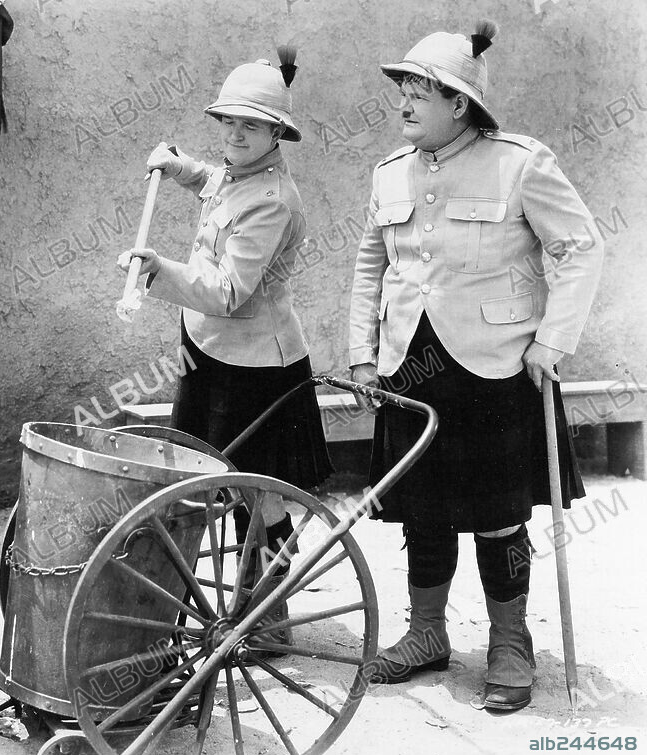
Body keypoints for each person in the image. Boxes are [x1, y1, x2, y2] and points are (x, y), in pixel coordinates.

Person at [348, 22, 603, 711]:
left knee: (498, 516)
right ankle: (426, 633)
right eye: (400, 90)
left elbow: (581, 246)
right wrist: (362, 356)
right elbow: (370, 267)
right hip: (410, 367)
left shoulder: (521, 163)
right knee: (421, 513)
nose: (401, 103)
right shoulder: (387, 173)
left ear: (458, 103)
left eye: (418, 92)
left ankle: (509, 643)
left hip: (495, 372)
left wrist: (553, 340)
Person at [119, 50, 333, 649]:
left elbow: (230, 292)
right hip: (210, 352)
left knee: (258, 489)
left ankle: (265, 603)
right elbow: (216, 185)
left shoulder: (273, 199)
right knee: (214, 477)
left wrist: (157, 270)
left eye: (252, 126)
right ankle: (205, 595)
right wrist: (181, 165)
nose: (235, 135)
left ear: (276, 135)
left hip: (258, 365)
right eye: (228, 123)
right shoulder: (240, 177)